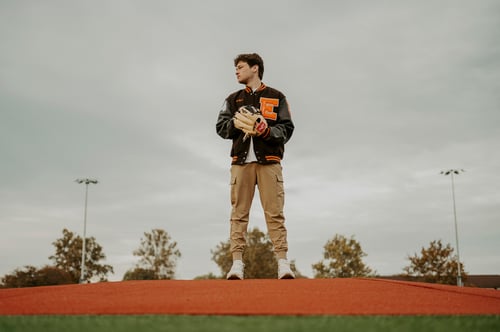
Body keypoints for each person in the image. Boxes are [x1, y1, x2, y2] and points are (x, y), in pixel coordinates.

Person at [216, 53, 295, 280]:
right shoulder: (233, 99)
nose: (236, 71)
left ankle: (282, 263)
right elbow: (220, 127)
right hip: (241, 164)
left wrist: (267, 131)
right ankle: (237, 265)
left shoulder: (276, 96)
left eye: (240, 67)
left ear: (255, 68)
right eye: (236, 68)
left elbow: (287, 129)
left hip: (269, 163)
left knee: (275, 213)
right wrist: (235, 122)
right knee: (238, 214)